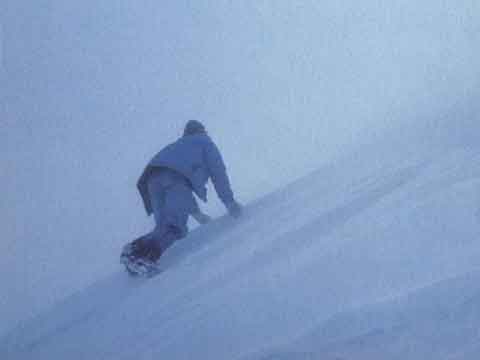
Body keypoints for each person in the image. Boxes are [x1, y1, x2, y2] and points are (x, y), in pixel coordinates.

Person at [130, 120, 242, 265]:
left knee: (163, 226)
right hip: (174, 178)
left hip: (151, 180)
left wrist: (197, 213)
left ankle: (134, 251)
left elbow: (182, 188)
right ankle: (144, 259)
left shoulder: (180, 145)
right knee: (175, 227)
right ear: (202, 131)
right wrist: (229, 201)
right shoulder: (204, 142)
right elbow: (218, 173)